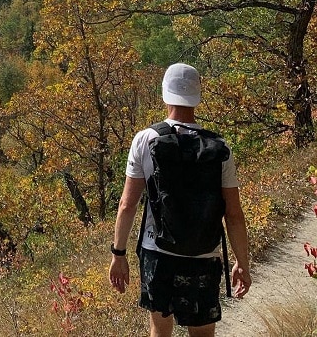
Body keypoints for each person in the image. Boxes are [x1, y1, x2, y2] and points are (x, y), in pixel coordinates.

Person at [108, 63, 252, 337]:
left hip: (158, 252)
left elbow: (128, 204)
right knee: (203, 333)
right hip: (204, 256)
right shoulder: (219, 147)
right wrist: (241, 263)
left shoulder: (145, 139)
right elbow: (234, 214)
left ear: (164, 94)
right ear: (198, 96)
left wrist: (119, 254)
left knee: (160, 331)